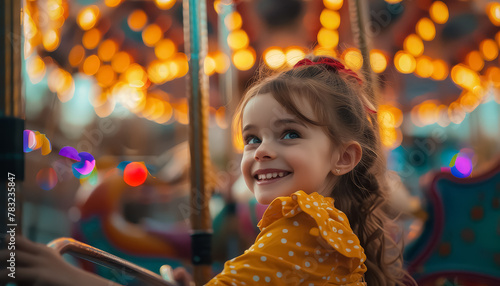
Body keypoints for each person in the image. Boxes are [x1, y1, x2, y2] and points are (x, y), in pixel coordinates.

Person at [0, 56, 415, 285]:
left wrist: (66, 277)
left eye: (289, 134)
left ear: (343, 158)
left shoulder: (305, 228)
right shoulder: (320, 227)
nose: (262, 152)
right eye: (252, 139)